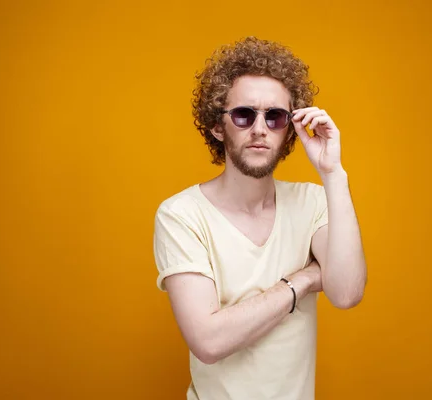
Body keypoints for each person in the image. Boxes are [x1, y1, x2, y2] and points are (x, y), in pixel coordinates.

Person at [152, 36, 368, 400]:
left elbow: (346, 293)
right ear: (218, 127)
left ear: (288, 131)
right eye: (243, 114)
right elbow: (209, 340)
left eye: (275, 116)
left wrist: (333, 174)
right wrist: (301, 281)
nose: (259, 129)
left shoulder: (313, 201)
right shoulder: (181, 215)